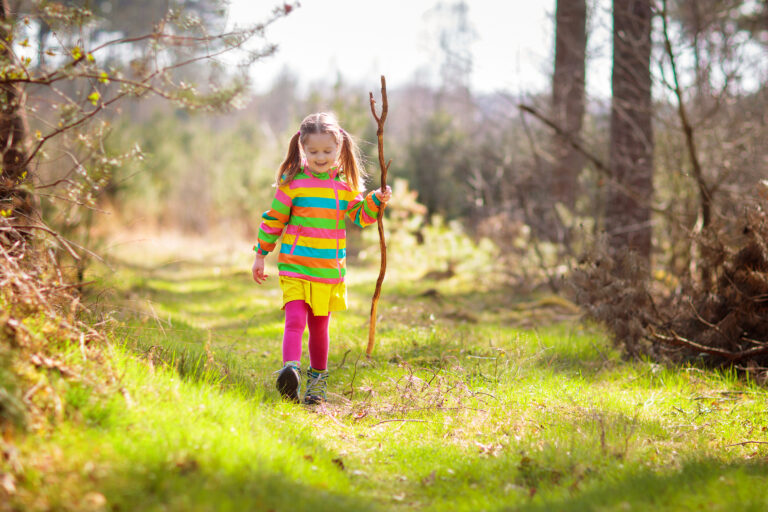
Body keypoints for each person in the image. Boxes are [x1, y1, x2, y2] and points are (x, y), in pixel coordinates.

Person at [251, 112, 392, 405]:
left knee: (319, 328)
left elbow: (360, 216)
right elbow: (274, 220)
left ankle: (317, 387)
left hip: (328, 270)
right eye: (313, 151)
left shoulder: (345, 186)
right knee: (294, 321)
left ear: (339, 148)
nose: (320, 157)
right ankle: (290, 370)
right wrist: (261, 254)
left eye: (327, 151)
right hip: (295, 267)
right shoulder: (292, 183)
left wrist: (376, 200)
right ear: (302, 148)